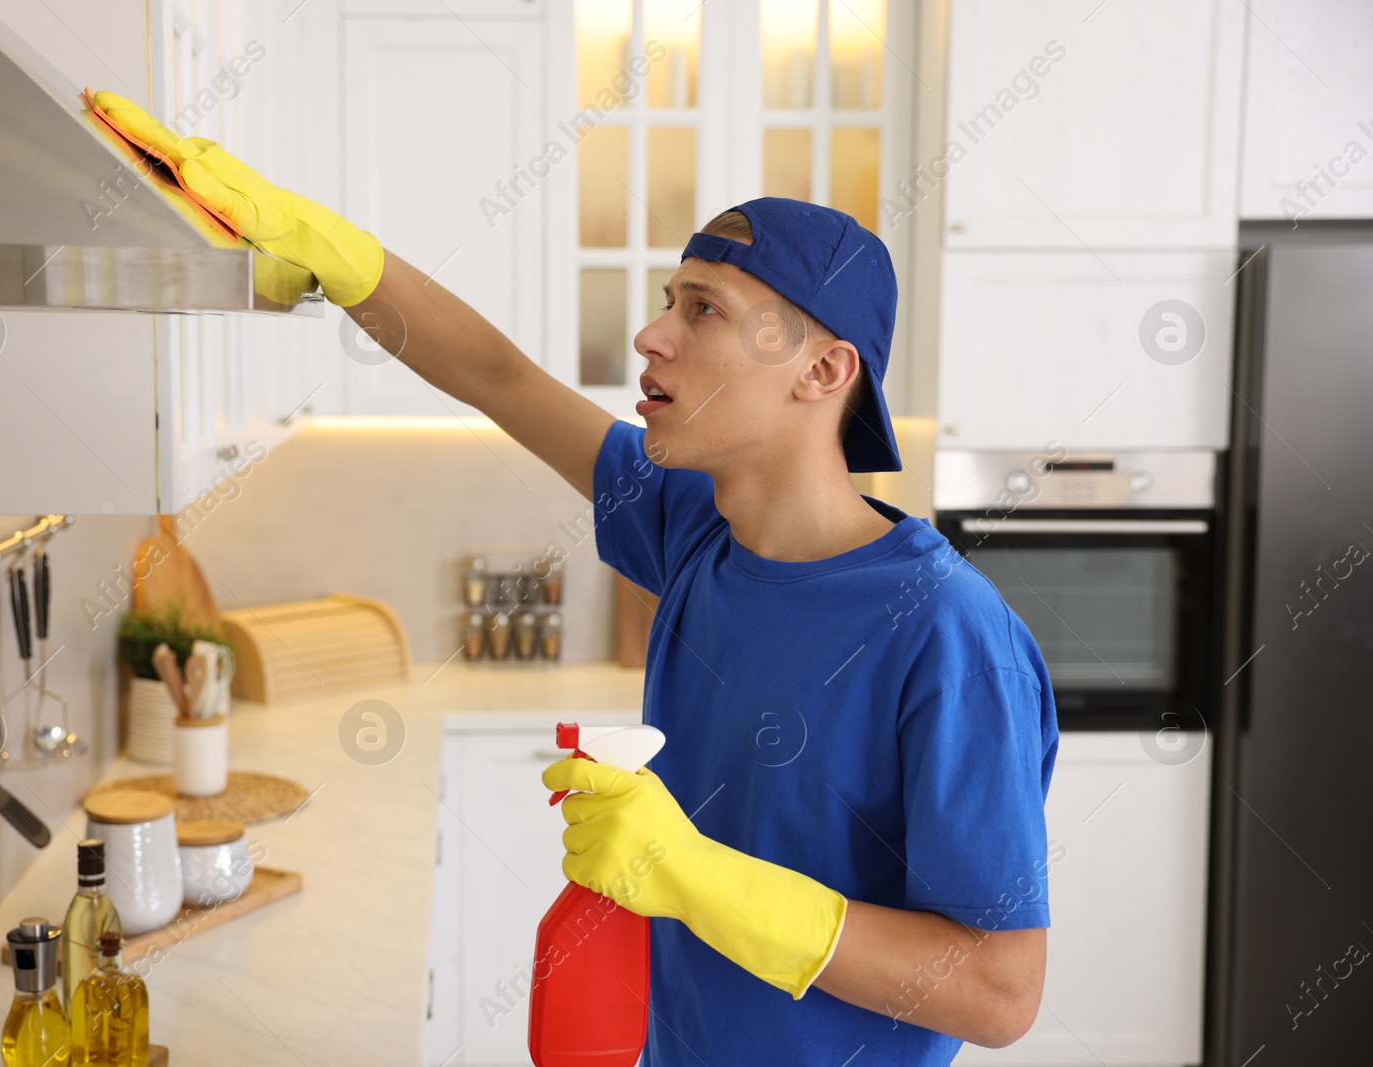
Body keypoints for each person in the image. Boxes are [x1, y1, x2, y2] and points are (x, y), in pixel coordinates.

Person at [91, 92, 1060, 1066]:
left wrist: (691, 874)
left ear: (821, 371)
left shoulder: (946, 634)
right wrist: (338, 254)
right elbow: (499, 376)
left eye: (702, 309)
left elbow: (997, 988)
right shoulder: (697, 532)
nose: (650, 336)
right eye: (667, 301)